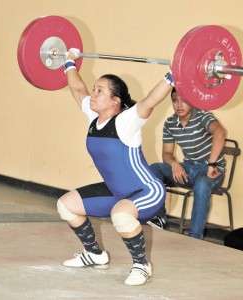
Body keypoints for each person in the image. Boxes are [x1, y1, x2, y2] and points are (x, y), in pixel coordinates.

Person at [56, 48, 173, 286]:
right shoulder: (93, 115)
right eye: (95, 89)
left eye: (100, 91)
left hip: (147, 192)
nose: (93, 93)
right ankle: (95, 254)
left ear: (115, 101)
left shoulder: (126, 121)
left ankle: (142, 265)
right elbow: (77, 89)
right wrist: (69, 62)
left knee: (121, 214)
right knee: (66, 205)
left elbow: (151, 100)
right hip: (116, 192)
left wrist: (174, 75)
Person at [147, 87, 226, 240]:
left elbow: (220, 132)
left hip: (212, 170)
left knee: (202, 183)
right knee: (154, 169)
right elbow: (167, 154)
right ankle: (159, 217)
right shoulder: (170, 123)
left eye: (183, 101)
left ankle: (195, 237)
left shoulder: (202, 116)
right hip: (188, 168)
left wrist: (211, 164)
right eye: (175, 101)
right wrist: (175, 164)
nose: (179, 105)